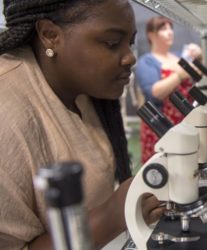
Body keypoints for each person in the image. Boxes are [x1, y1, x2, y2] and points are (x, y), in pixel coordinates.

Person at [0, 1, 163, 249]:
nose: (130, 57)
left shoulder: (81, 88)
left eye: (129, 43)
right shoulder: (7, 111)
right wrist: (112, 216)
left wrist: (133, 209)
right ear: (50, 35)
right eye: (111, 43)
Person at [136, 16, 202, 164]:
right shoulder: (147, 61)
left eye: (170, 28)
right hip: (160, 128)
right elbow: (155, 93)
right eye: (163, 29)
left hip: (184, 123)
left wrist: (198, 56)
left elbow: (199, 77)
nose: (170, 32)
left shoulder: (179, 56)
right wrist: (179, 74)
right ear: (151, 35)